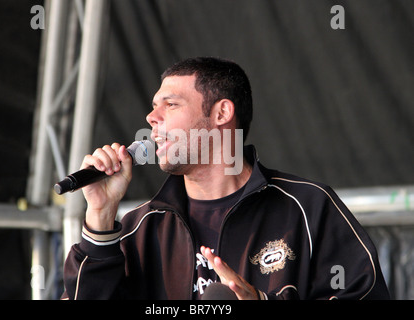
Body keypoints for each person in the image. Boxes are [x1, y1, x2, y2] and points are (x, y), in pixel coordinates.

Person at [62, 57, 390, 300]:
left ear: (221, 114)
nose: (152, 118)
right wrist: (100, 216)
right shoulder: (140, 227)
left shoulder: (310, 207)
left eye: (170, 104)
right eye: (153, 107)